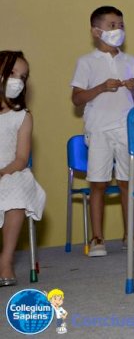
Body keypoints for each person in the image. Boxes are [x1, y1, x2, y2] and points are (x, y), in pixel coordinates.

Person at [71, 6, 134, 257]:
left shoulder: (130, 61)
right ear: (96, 31)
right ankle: (97, 238)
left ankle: (131, 234)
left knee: (128, 182)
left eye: (121, 25)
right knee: (98, 184)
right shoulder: (86, 61)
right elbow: (77, 98)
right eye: (113, 25)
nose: (118, 30)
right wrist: (101, 87)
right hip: (99, 128)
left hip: (127, 128)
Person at [0, 51, 46, 288]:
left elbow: (21, 158)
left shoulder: (22, 117)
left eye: (23, 76)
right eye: (12, 73)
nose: (18, 80)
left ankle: (5, 261)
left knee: (16, 192)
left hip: (11, 170)